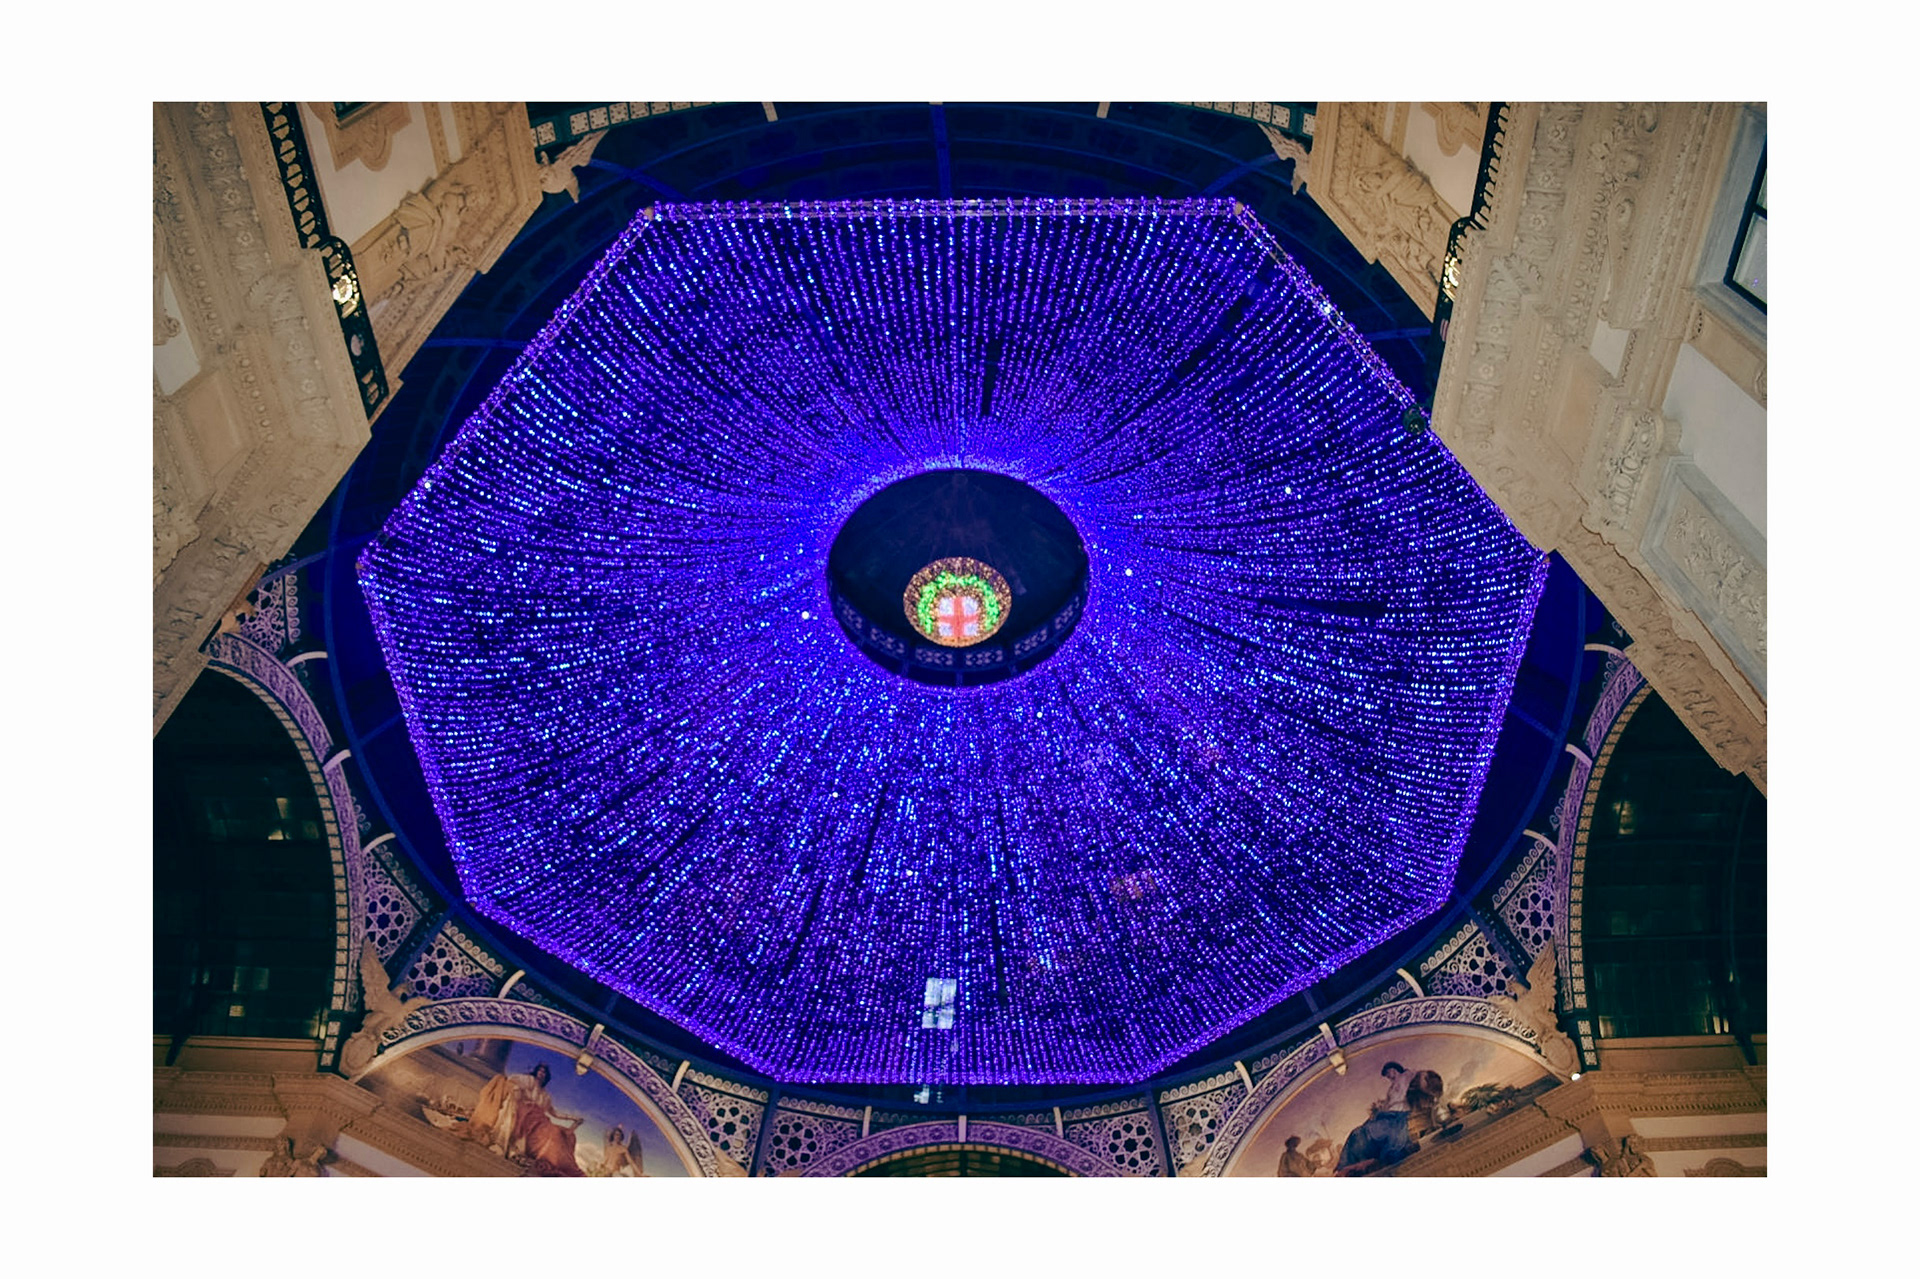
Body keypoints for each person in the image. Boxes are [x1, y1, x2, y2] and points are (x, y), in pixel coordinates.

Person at [470, 1061, 586, 1176]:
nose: (541, 1074)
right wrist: (516, 1089)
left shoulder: (545, 1096)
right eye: (540, 1071)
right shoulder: (528, 1080)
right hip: (523, 1113)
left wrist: (573, 1118)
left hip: (539, 1120)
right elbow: (510, 1080)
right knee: (548, 1129)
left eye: (544, 1073)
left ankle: (560, 1163)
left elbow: (555, 1113)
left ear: (546, 1076)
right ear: (536, 1071)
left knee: (557, 1132)